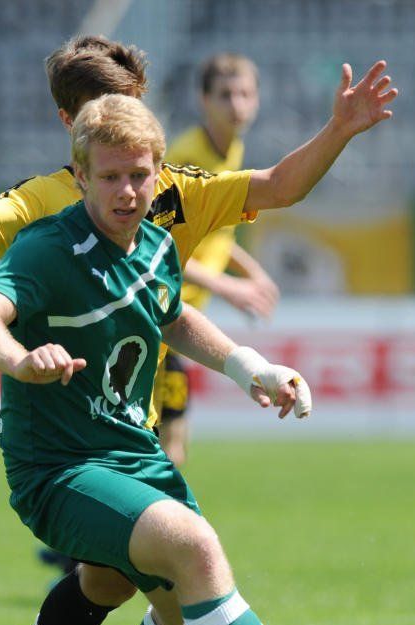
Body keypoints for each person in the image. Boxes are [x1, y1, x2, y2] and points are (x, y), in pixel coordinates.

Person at [0, 35, 397, 625]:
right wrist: (22, 358)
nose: (127, 188)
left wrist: (250, 367)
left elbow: (173, 310)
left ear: (155, 161)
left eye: (139, 173)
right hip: (61, 460)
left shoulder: (158, 229)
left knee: (150, 591)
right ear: (78, 152)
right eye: (110, 174)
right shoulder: (45, 225)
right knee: (191, 551)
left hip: (132, 440)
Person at [160, 53, 278, 466]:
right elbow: (156, 248)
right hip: (158, 314)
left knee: (171, 447)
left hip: (179, 320)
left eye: (245, 94)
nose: (237, 105)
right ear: (204, 100)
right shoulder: (185, 159)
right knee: (167, 449)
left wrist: (253, 272)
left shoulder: (232, 149)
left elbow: (215, 232)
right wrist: (228, 286)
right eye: (226, 95)